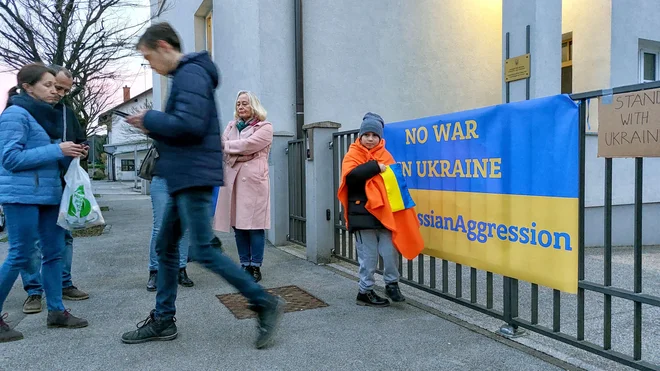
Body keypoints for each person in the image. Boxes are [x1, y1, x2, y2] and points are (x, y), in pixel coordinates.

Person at [121, 22, 284, 348]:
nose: (149, 64)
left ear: (164, 47)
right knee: (167, 248)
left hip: (193, 177)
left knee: (203, 250)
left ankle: (263, 301)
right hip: (185, 175)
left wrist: (149, 119)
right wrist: (152, 128)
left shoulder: (191, 74)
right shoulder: (186, 76)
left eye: (148, 56)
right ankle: (164, 319)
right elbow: (184, 130)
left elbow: (191, 125)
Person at [0, 63, 88, 343]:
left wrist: (72, 154)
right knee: (20, 254)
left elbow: (45, 157)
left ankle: (57, 312)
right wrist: (57, 148)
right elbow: (10, 159)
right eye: (48, 86)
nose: (55, 91)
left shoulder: (48, 115)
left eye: (56, 86)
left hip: (51, 193)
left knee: (54, 253)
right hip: (21, 196)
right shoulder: (15, 114)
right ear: (27, 87)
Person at [20, 65, 90, 315]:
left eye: (64, 90)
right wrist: (56, 149)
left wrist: (83, 150)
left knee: (64, 235)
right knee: (31, 241)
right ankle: (34, 291)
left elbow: (80, 139)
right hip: (31, 185)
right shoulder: (22, 112)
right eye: (55, 87)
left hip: (61, 183)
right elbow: (12, 154)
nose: (59, 93)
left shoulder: (66, 113)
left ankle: (63, 284)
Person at [337, 112, 423, 307]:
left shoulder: (387, 155)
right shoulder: (352, 154)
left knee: (390, 251)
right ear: (360, 136)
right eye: (366, 134)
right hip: (362, 213)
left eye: (374, 135)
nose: (370, 139)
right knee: (368, 256)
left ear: (380, 138)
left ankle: (392, 284)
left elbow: (396, 185)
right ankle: (364, 291)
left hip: (386, 214)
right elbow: (351, 178)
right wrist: (376, 167)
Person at [213, 91, 273, 282]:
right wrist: (241, 153)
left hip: (254, 182)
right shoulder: (231, 126)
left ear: (253, 105)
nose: (241, 107)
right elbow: (221, 147)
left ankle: (255, 266)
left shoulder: (265, 127)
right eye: (238, 104)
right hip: (234, 181)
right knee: (239, 226)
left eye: (245, 103)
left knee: (255, 226)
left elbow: (250, 144)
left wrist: (234, 149)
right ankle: (244, 264)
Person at [146, 175, 194, 291]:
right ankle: (155, 271)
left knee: (184, 227)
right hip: (161, 178)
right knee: (160, 227)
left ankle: (180, 269)